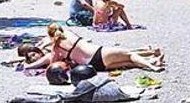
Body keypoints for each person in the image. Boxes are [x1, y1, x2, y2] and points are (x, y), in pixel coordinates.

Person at [24, 24, 163, 72]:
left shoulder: (56, 48)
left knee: (129, 63)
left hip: (94, 66)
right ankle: (152, 66)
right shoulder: (69, 33)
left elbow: (52, 64)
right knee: (129, 55)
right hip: (98, 53)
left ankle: (153, 60)